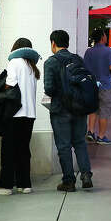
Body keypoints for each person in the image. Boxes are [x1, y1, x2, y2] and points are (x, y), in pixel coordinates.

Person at [42, 30, 92, 192]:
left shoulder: (51, 62)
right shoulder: (78, 60)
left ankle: (69, 181)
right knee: (80, 142)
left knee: (63, 145)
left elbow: (49, 89)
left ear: (53, 43)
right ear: (68, 43)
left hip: (60, 110)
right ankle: (85, 175)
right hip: (79, 108)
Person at [0, 39, 40, 195]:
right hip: (30, 114)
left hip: (15, 114)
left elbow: (10, 84)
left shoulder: (14, 62)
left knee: (8, 150)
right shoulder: (32, 67)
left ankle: (5, 186)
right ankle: (24, 184)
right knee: (23, 150)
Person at [83, 30, 111, 145]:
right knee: (104, 110)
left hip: (91, 85)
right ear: (102, 37)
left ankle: (90, 132)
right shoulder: (108, 51)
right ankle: (101, 136)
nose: (106, 36)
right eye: (105, 35)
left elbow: (84, 68)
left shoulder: (88, 51)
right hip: (104, 85)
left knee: (93, 109)